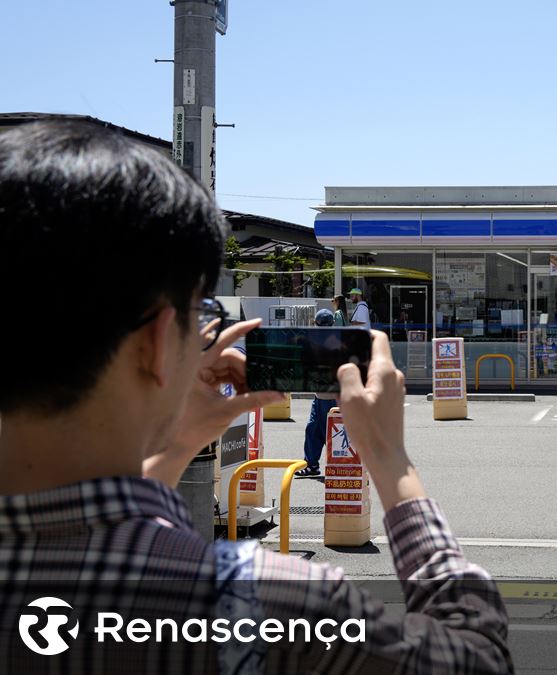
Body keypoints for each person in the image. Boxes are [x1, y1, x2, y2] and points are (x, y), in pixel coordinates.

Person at [0, 121, 512, 672]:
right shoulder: (267, 604)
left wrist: (177, 447)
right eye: (202, 315)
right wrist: (390, 460)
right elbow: (477, 658)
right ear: (154, 342)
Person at [296, 308, 339, 478]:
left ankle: (340, 466)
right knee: (313, 429)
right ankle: (312, 465)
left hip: (331, 397)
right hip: (320, 396)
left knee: (332, 432)